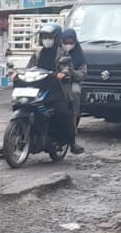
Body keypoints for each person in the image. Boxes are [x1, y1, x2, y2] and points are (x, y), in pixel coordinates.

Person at [28, 22, 83, 153]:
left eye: (50, 37)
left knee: (63, 113)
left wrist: (63, 73)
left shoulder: (63, 54)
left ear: (56, 38)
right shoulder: (37, 53)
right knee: (23, 104)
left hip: (56, 88)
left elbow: (67, 68)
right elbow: (29, 68)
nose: (47, 40)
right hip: (37, 88)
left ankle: (71, 142)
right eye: (44, 37)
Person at [59, 27, 87, 145]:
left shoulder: (79, 55)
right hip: (56, 80)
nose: (68, 45)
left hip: (72, 82)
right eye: (66, 42)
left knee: (75, 92)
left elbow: (83, 73)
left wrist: (72, 72)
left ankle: (73, 122)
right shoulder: (56, 52)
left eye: (71, 43)